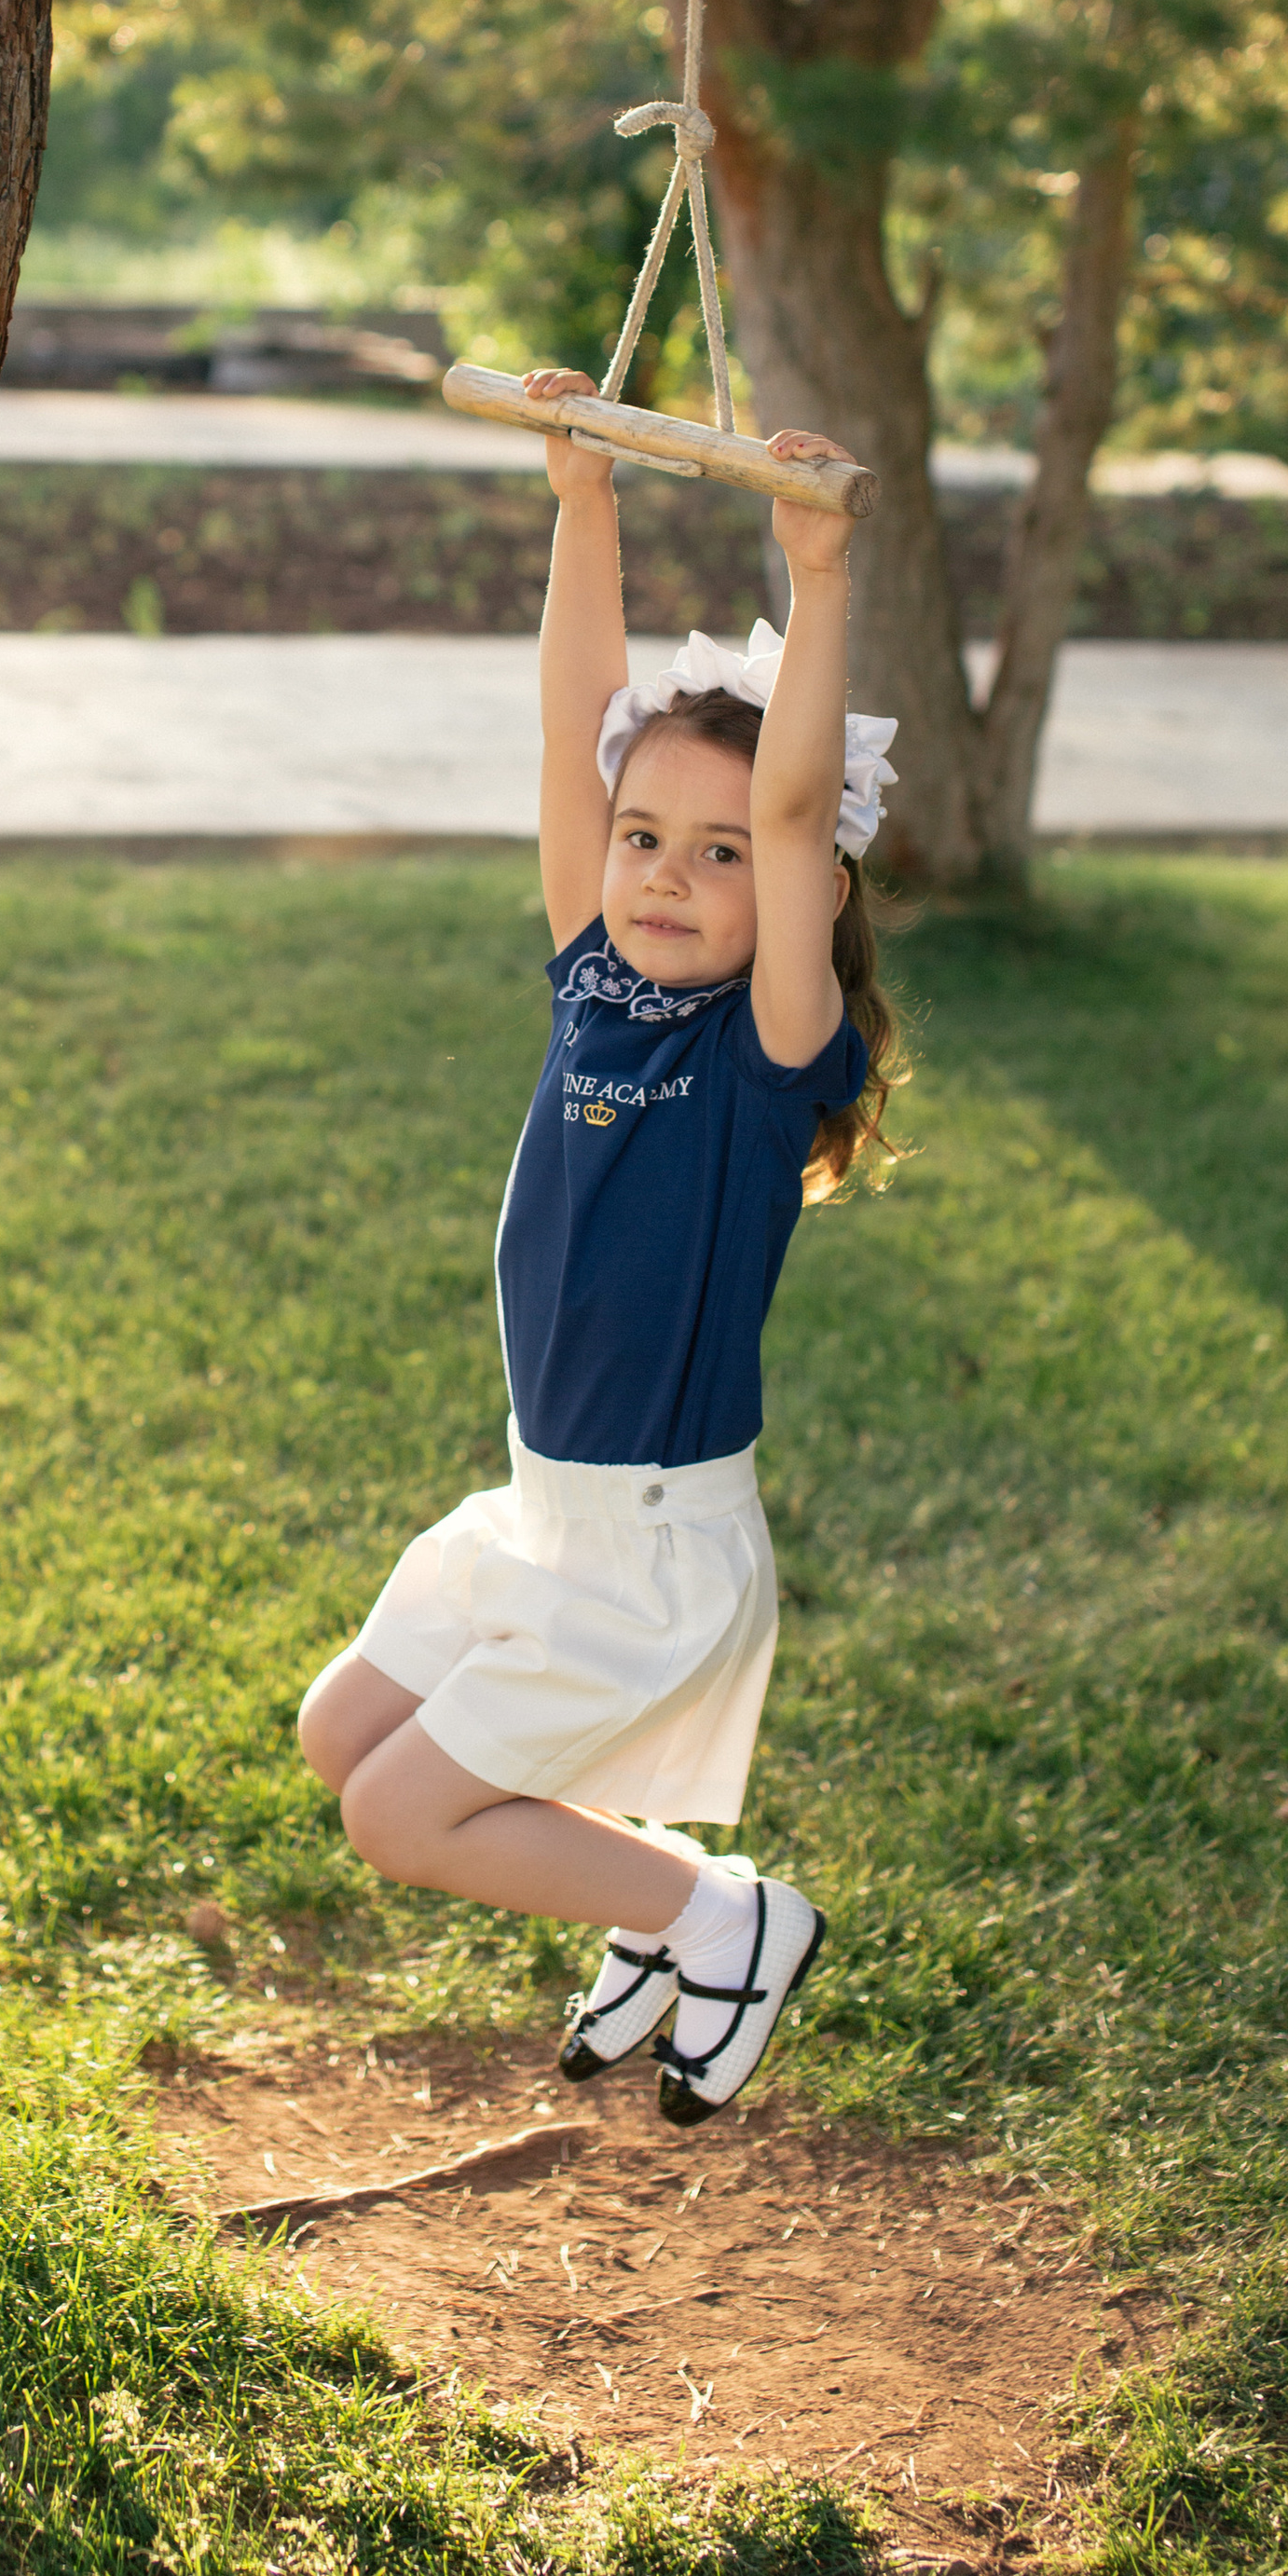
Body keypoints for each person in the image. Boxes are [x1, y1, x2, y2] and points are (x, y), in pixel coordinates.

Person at [296, 373, 904, 2120]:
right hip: (539, 1507)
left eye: (716, 856)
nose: (663, 873)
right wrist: (585, 503)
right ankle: (652, 1915)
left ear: (801, 896)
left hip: (646, 1541)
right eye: (647, 838)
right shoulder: (596, 981)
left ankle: (725, 1913)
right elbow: (579, 732)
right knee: (345, 1731)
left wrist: (821, 574)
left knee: (395, 1818)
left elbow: (792, 812)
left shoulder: (762, 1052)